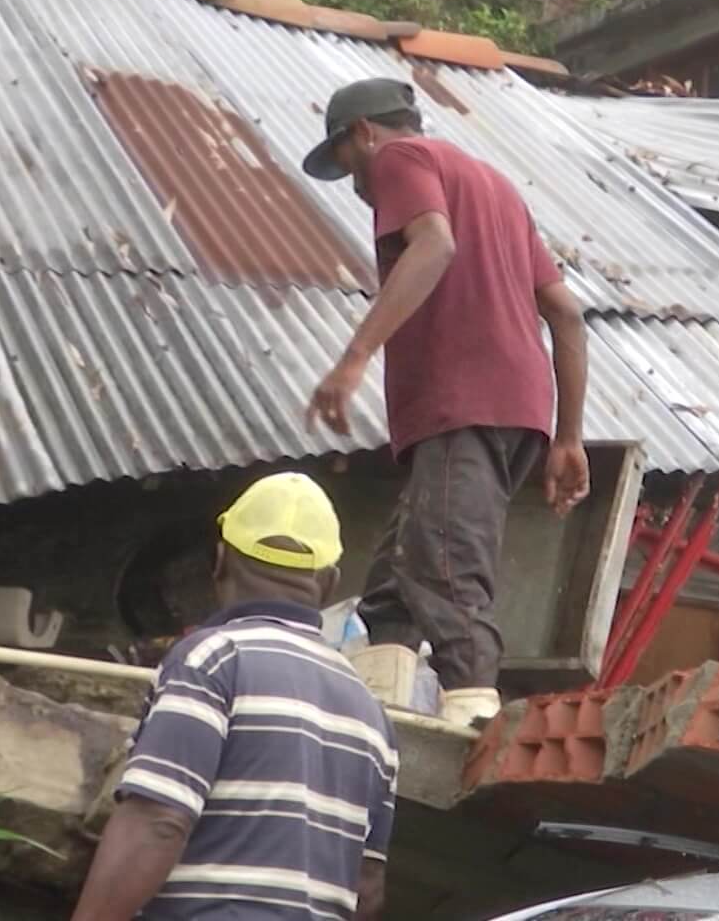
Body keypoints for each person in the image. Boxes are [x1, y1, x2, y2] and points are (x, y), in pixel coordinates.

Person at [301, 78, 590, 727]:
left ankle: (472, 716)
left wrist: (354, 359)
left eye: (347, 164)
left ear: (364, 134)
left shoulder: (401, 160)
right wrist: (568, 437)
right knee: (399, 573)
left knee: (445, 568)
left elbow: (434, 243)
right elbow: (566, 315)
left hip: (464, 403)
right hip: (518, 411)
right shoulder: (496, 187)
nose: (355, 186)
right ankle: (380, 703)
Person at [72, 472, 397, 921]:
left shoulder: (214, 659)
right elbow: (367, 887)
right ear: (329, 583)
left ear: (221, 560)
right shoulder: (371, 712)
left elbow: (159, 821)